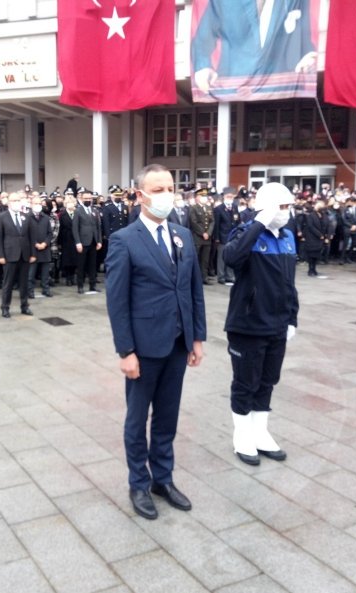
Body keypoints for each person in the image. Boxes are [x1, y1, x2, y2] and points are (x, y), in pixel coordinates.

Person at [105, 164, 206, 520]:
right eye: (158, 189)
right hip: (144, 347)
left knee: (167, 416)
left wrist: (197, 337)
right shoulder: (125, 240)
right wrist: (126, 351)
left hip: (178, 342)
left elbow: (194, 289)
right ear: (140, 195)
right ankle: (139, 483)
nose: (166, 195)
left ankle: (163, 478)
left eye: (170, 188)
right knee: (137, 419)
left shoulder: (182, 234)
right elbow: (117, 301)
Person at [223, 182, 298, 466]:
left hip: (277, 325)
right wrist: (258, 224)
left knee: (268, 381)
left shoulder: (288, 236)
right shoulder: (247, 233)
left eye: (289, 207)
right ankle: (242, 436)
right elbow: (231, 257)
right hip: (248, 325)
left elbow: (290, 283)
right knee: (246, 383)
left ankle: (260, 433)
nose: (286, 213)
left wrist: (292, 318)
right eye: (281, 207)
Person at [191, 0, 316, 100]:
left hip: (282, 83)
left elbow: (304, 27)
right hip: (234, 83)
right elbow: (204, 36)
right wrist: (202, 66)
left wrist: (307, 53)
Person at [0, 192, 34, 318]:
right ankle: (5, 307)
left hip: (24, 254)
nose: (17, 202)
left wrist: (32, 254)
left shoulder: (26, 216)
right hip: (9, 254)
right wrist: (0, 255)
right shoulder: (2, 217)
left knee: (24, 283)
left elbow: (31, 236)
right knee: (8, 283)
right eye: (14, 200)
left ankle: (24, 306)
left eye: (18, 200)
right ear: (8, 203)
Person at [72, 190, 102, 294]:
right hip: (82, 242)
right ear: (81, 199)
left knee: (92, 265)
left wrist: (99, 241)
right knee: (81, 265)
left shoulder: (95, 210)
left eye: (89, 198)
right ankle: (80, 286)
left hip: (93, 242)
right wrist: (77, 242)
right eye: (86, 199)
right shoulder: (78, 211)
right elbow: (75, 228)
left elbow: (98, 227)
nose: (88, 200)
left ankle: (92, 286)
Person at [27, 195, 53, 298]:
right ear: (31, 205)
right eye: (35, 203)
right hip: (32, 250)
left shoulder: (46, 218)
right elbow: (25, 234)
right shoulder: (27, 217)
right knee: (31, 273)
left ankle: (45, 289)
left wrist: (45, 243)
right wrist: (35, 244)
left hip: (45, 249)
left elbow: (50, 233)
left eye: (39, 204)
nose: (38, 205)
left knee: (45, 273)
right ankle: (30, 291)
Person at [189, 188, 214, 284]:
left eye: (206, 196)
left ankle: (204, 277)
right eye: (203, 196)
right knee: (196, 258)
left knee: (205, 260)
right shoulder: (193, 208)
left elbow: (212, 221)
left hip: (207, 238)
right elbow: (193, 222)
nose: (205, 198)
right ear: (198, 197)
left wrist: (208, 232)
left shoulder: (208, 208)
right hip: (197, 237)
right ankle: (194, 278)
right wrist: (203, 233)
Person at [213, 187, 238, 285]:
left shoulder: (234, 207)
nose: (230, 198)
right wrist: (217, 238)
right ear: (224, 197)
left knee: (231, 257)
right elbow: (217, 224)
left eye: (231, 197)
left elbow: (237, 221)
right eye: (228, 196)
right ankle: (221, 276)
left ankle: (230, 276)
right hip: (222, 237)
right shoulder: (218, 209)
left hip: (232, 237)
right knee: (221, 258)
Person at [57, 194, 79, 286]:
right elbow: (60, 229)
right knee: (67, 259)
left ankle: (73, 276)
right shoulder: (62, 214)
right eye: (68, 202)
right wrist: (59, 242)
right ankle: (68, 278)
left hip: (75, 238)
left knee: (75, 259)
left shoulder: (77, 213)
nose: (70, 204)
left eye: (72, 202)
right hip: (66, 239)